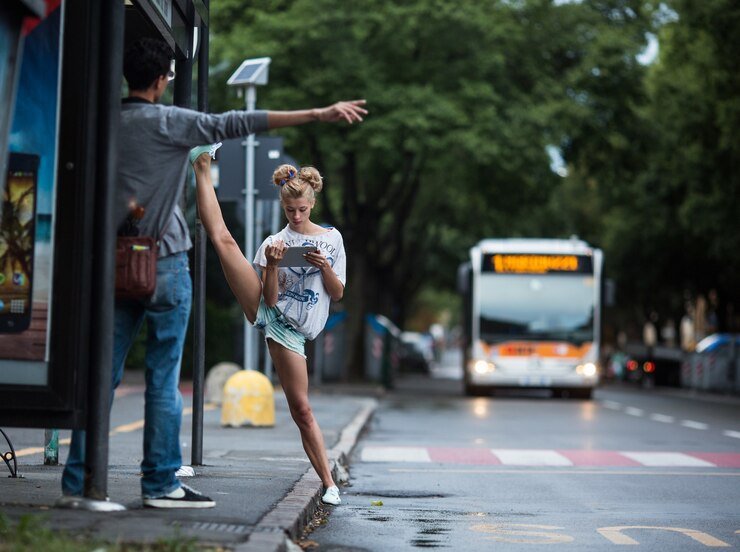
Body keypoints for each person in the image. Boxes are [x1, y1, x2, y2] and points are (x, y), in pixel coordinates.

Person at [59, 37, 366, 509]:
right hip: (168, 262)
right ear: (162, 81)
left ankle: (78, 483)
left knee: (104, 374)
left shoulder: (103, 123)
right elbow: (239, 122)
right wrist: (319, 113)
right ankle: (161, 484)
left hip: (117, 259)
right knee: (164, 378)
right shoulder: (171, 121)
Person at [191, 147, 345, 506]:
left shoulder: (331, 239)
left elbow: (336, 293)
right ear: (282, 205)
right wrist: (273, 266)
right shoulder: (274, 242)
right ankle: (201, 164)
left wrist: (323, 266)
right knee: (223, 241)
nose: (295, 216)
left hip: (298, 330)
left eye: (302, 210)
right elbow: (270, 300)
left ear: (312, 204)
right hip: (273, 315)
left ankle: (329, 483)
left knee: (300, 409)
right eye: (289, 210)